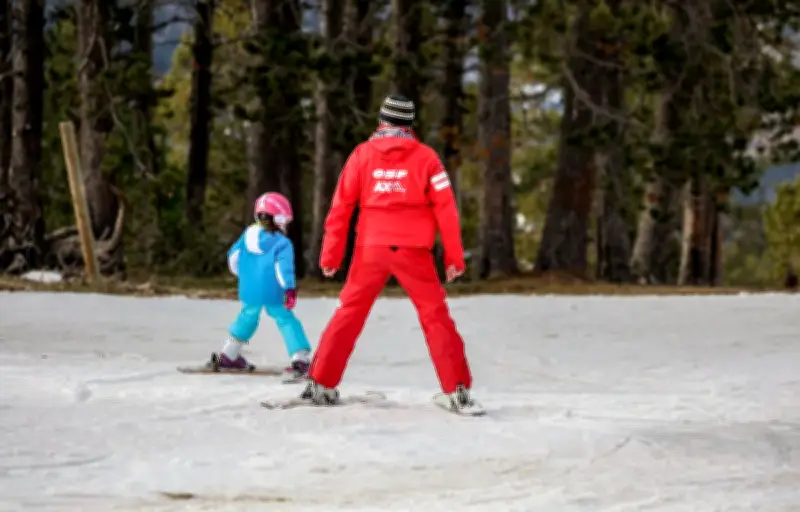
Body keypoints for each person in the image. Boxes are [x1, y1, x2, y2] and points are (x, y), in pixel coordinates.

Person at [298, 94, 479, 412]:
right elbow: (446, 210)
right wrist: (453, 258)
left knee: (349, 312)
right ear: (409, 125)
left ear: (381, 121)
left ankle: (320, 383)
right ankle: (457, 390)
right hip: (414, 251)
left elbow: (341, 207)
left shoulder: (361, 155)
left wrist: (331, 256)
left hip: (371, 248)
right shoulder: (427, 159)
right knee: (435, 317)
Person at [207, 192, 312, 378]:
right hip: (273, 290)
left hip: (249, 288)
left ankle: (229, 354)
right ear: (278, 218)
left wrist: (245, 276)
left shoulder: (247, 235)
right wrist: (289, 289)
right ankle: (300, 359)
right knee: (286, 320)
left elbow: (233, 258)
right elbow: (283, 269)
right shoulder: (282, 243)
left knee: (247, 316)